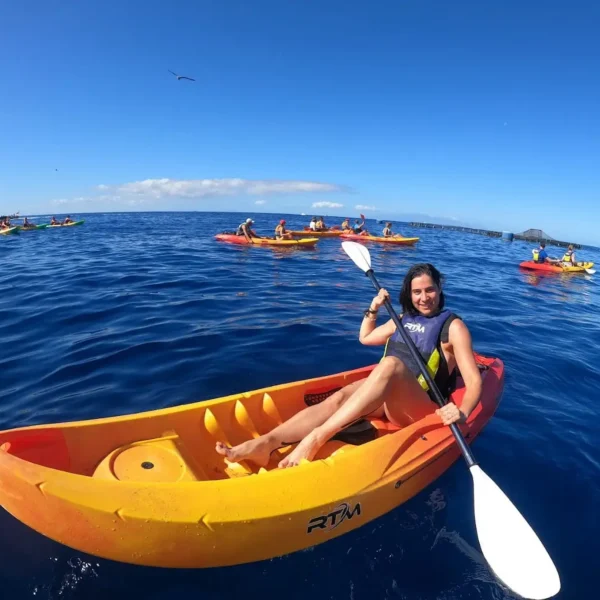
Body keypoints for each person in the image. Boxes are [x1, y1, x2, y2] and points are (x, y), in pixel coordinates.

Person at [215, 263, 483, 469]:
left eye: (429, 290)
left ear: (439, 289)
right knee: (339, 398)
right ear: (409, 293)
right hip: (388, 400)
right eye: (417, 292)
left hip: (417, 409)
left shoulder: (453, 327)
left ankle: (316, 437)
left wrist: (462, 411)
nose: (424, 297)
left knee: (390, 364)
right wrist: (374, 307)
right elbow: (365, 337)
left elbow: (473, 382)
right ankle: (266, 443)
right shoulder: (403, 318)